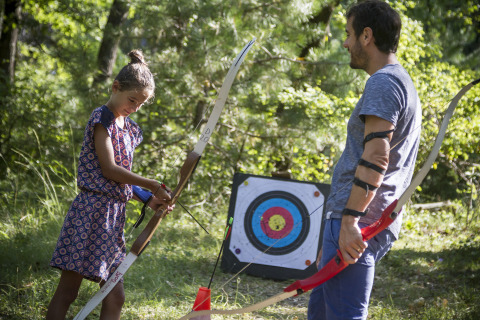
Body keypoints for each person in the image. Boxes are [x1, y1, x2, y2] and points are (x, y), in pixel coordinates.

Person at [307, 1, 421, 319]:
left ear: (366, 36)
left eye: (348, 34)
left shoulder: (384, 82)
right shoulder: (400, 81)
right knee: (320, 312)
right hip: (360, 219)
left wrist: (348, 223)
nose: (345, 42)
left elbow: (376, 157)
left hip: (360, 221)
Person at [46, 49, 174, 320]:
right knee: (68, 292)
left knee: (115, 296)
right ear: (115, 87)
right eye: (132, 100)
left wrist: (148, 199)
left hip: (112, 217)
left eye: (141, 104)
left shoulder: (130, 129)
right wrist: (152, 184)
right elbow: (110, 170)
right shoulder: (101, 119)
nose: (135, 107)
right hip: (89, 212)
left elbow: (122, 177)